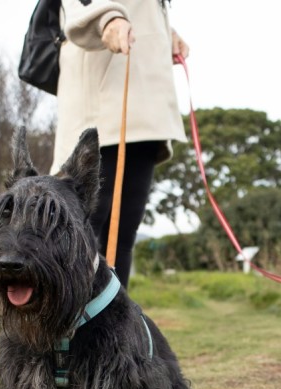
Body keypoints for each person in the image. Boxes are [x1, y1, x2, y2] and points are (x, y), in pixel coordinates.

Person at [51, 0, 189, 288]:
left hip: (147, 113)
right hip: (102, 107)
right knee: (81, 232)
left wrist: (165, 33)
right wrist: (108, 19)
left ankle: (114, 330)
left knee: (124, 237)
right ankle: (61, 329)